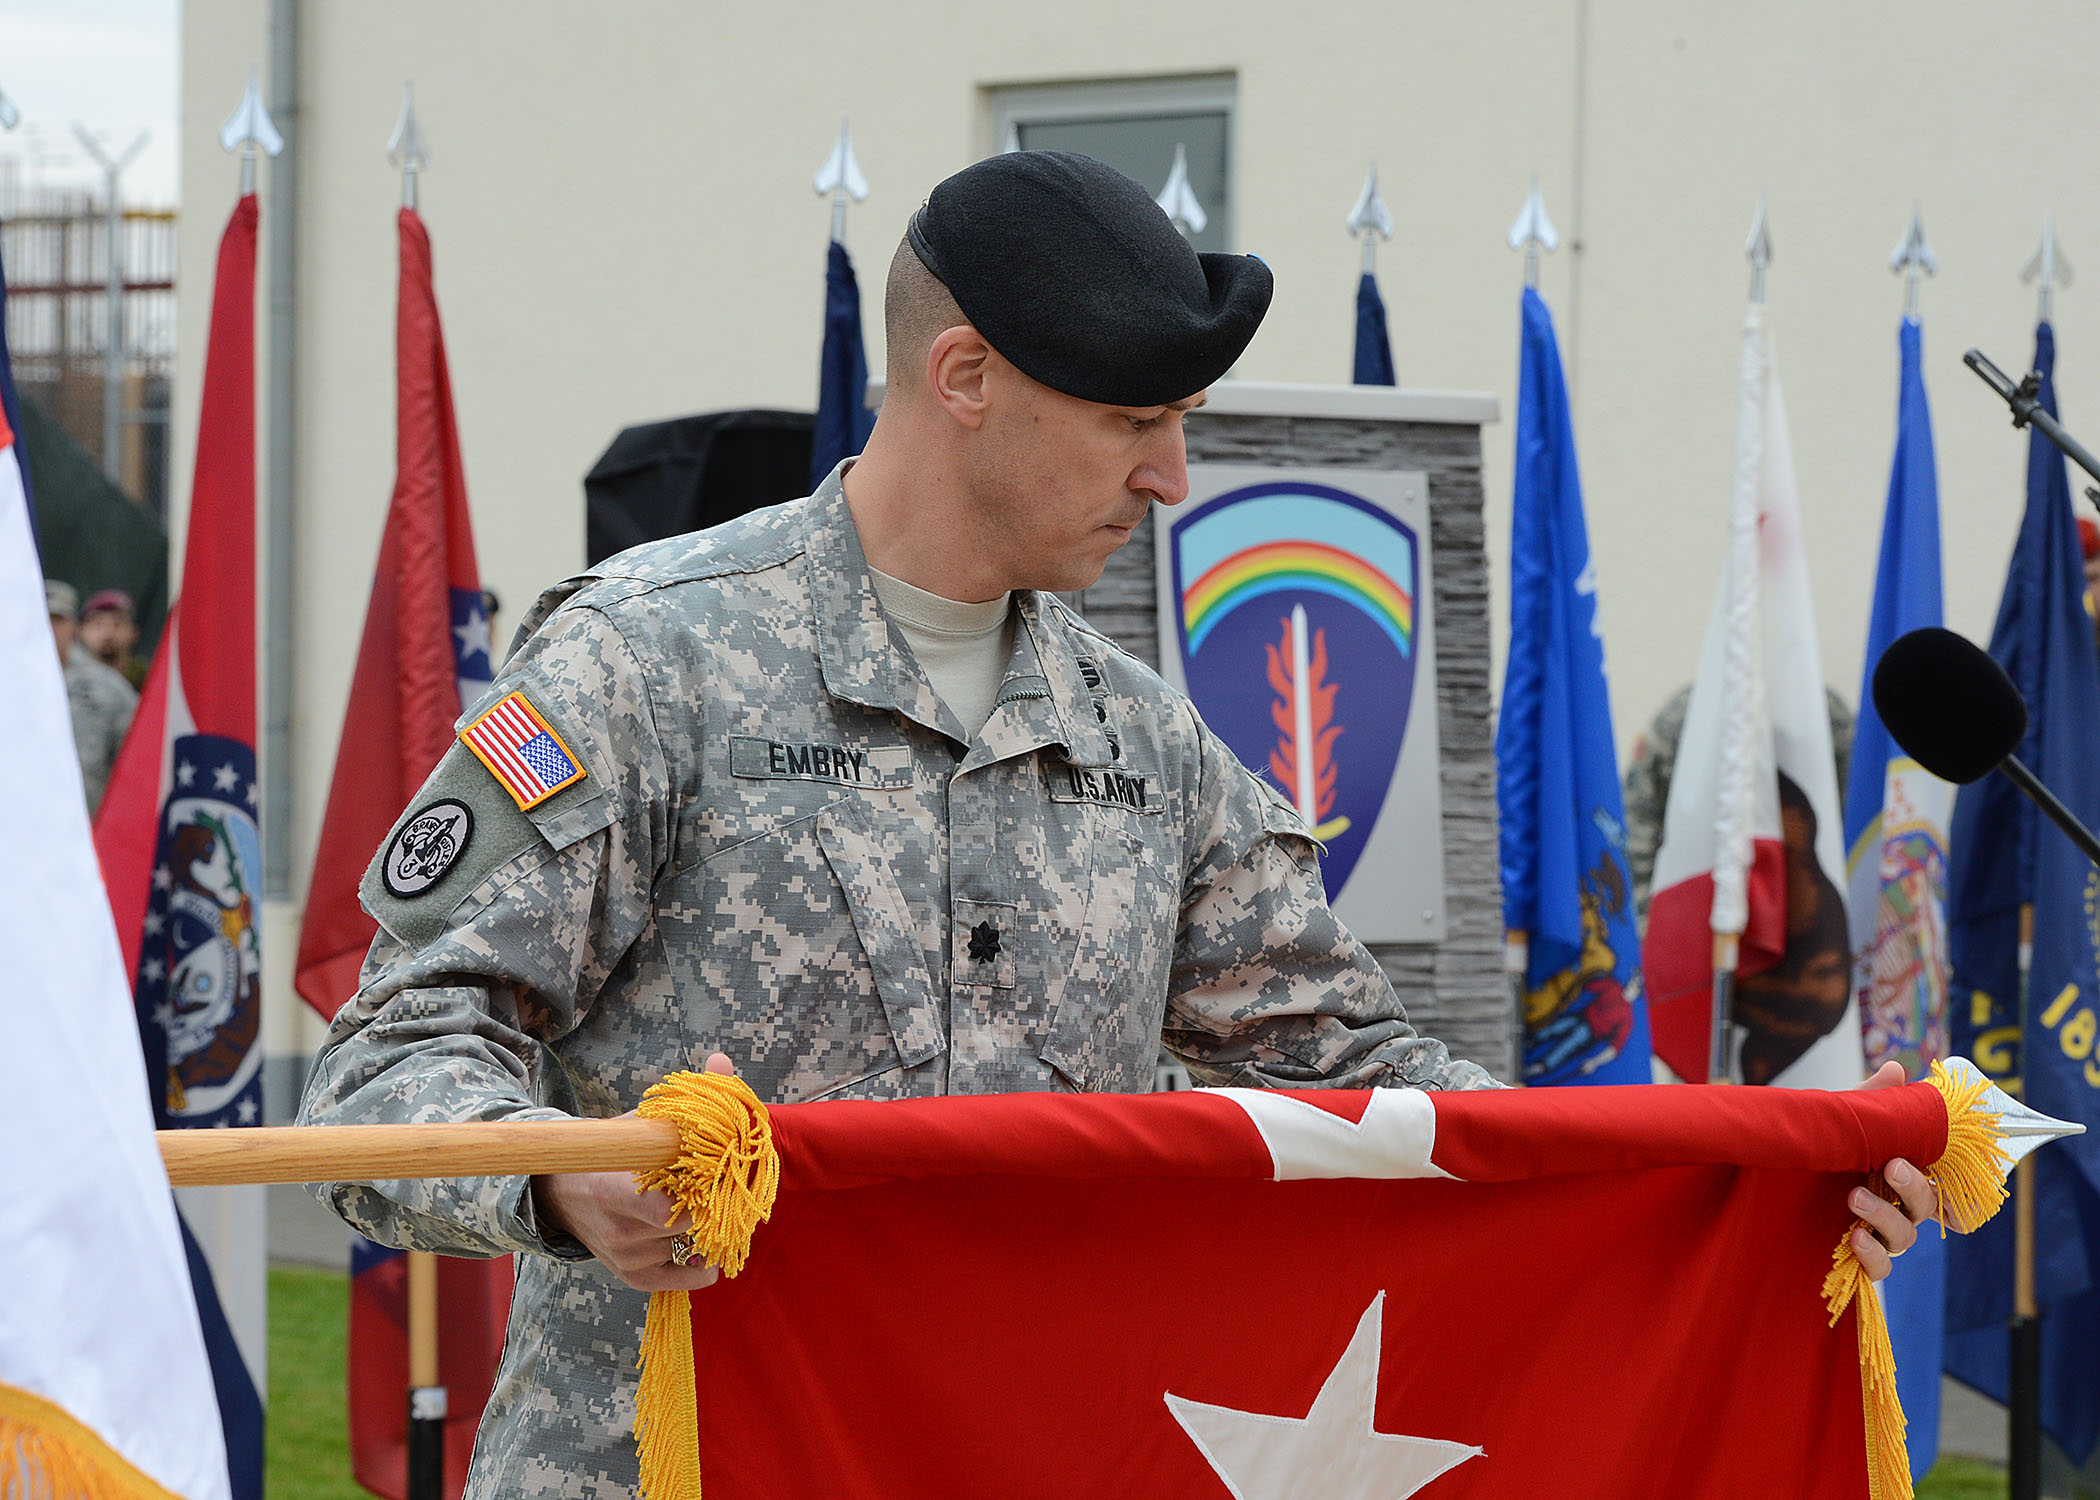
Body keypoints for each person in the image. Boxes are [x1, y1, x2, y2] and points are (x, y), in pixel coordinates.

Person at [300, 153, 1929, 1498]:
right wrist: (573, 1187)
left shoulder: (1143, 737)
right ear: (967, 383)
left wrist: (1746, 1194)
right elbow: (386, 1077)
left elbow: (1371, 1080)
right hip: (669, 1466)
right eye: (1135, 423)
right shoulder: (646, 666)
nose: (1174, 479)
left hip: (1024, 1453)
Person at [47, 578, 138, 814]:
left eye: (57, 621)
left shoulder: (108, 686)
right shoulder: (10, 685)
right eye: (40, 619)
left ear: (74, 628)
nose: (48, 628)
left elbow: (136, 761)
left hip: (88, 828)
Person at [78, 587, 146, 688]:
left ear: (134, 632)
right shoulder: (70, 682)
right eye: (98, 624)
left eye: (117, 624)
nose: (107, 633)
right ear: (81, 632)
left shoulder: (150, 681)